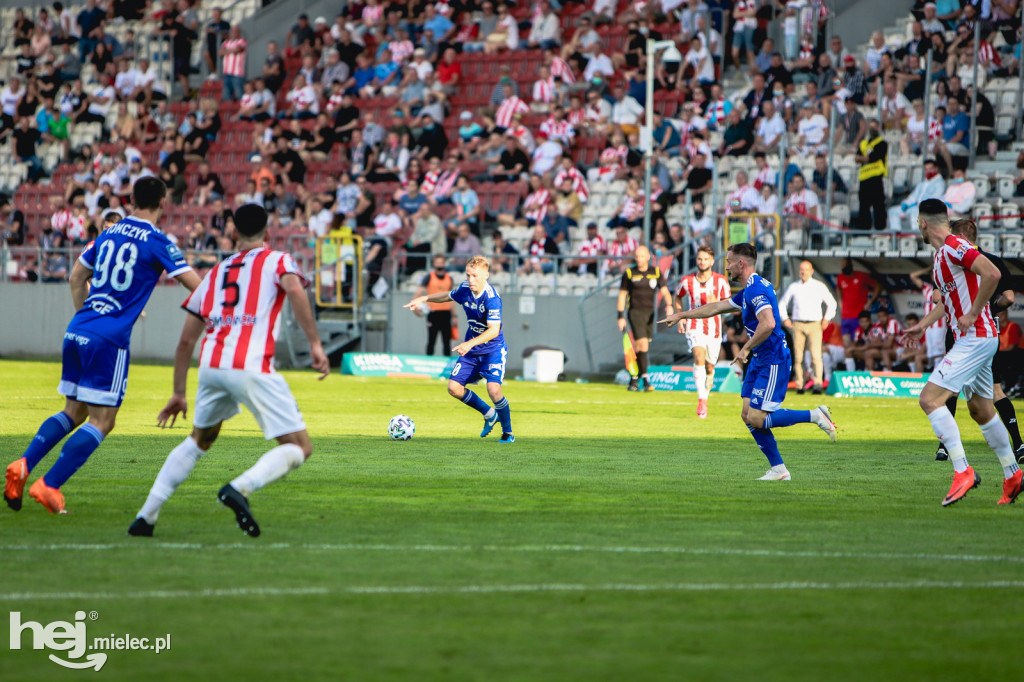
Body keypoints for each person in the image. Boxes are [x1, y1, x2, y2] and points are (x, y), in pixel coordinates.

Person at [127, 204, 328, 538]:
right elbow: (294, 289)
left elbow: (185, 341)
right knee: (299, 446)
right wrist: (315, 344)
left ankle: (145, 517)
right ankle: (240, 487)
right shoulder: (278, 260)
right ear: (268, 229)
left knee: (199, 439)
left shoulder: (216, 273)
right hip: (250, 365)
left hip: (212, 366)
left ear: (233, 231)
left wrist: (179, 392)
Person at [4, 178, 201, 514]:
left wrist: (87, 320)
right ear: (163, 202)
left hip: (78, 329)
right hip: (108, 340)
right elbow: (196, 287)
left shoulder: (107, 233)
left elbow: (75, 278)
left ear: (132, 199)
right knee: (103, 421)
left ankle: (23, 465)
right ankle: (49, 484)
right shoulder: (158, 242)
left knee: (74, 412)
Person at [661, 243, 838, 480]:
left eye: (729, 261)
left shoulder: (755, 290)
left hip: (772, 360)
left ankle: (815, 415)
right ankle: (779, 469)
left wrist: (745, 348)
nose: (727, 266)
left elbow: (769, 324)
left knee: (757, 418)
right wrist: (682, 315)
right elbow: (717, 307)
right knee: (747, 414)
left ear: (740, 264)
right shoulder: (750, 288)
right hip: (759, 359)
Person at [901, 200, 1021, 506]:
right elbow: (947, 302)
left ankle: (962, 470)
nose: (918, 229)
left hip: (975, 336)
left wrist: (974, 312)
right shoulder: (943, 256)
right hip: (979, 338)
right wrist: (923, 326)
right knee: (981, 409)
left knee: (929, 399)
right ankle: (1013, 475)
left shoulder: (955, 246)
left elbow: (992, 274)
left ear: (924, 223)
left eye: (918, 223)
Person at [404, 255, 514, 443]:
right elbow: (447, 295)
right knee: (454, 388)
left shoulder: (492, 298)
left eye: (475, 276)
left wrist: (469, 343)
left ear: (486, 275)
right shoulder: (465, 289)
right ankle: (489, 414)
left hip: (492, 350)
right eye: (468, 275)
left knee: (494, 390)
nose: (471, 280)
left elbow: (494, 330)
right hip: (471, 350)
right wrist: (424, 298)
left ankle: (508, 433)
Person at [675, 245, 730, 417]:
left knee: (709, 365)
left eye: (706, 259)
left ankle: (708, 382)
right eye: (699, 258)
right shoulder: (687, 281)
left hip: (714, 328)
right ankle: (702, 401)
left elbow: (729, 304)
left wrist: (718, 304)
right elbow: (678, 296)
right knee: (698, 356)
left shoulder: (721, 281)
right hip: (694, 325)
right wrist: (681, 316)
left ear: (712, 261)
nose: (702, 262)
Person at [617, 246, 675, 392]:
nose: (639, 259)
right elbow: (622, 295)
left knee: (644, 347)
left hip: (650, 313)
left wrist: (669, 305)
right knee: (641, 343)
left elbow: (665, 291)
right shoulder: (630, 273)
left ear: (648, 257)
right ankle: (645, 380)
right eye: (637, 256)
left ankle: (635, 378)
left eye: (641, 256)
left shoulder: (655, 272)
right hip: (635, 312)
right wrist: (620, 316)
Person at [779, 260, 838, 394]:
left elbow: (832, 303)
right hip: (798, 323)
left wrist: (827, 318)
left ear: (811, 271)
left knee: (816, 355)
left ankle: (818, 383)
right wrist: (785, 319)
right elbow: (782, 303)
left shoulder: (819, 286)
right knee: (798, 356)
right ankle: (800, 384)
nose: (803, 272)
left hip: (814, 323)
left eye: (805, 269)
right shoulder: (794, 286)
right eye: (801, 269)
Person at [414, 255, 454, 357]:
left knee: (447, 341)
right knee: (431, 340)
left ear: (444, 263)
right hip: (433, 313)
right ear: (434, 264)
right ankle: (428, 363)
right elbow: (417, 294)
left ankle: (447, 366)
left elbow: (452, 298)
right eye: (437, 262)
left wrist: (454, 316)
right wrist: (416, 309)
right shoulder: (429, 277)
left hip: (446, 312)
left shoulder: (449, 278)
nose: (439, 264)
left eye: (441, 262)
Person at [836, 257, 882, 345]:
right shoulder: (840, 277)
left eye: (846, 265)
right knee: (846, 342)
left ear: (851, 265)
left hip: (858, 315)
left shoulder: (861, 276)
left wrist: (870, 302)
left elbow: (878, 286)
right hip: (845, 315)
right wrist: (840, 302)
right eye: (842, 265)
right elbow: (838, 288)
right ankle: (849, 358)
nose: (844, 267)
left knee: (858, 342)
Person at [855, 118, 888, 230]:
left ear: (878, 128)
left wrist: (863, 158)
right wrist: (865, 158)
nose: (872, 129)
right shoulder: (863, 143)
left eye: (875, 126)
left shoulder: (882, 143)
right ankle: (864, 230)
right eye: (871, 126)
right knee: (863, 206)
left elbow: (873, 157)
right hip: (864, 178)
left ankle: (880, 229)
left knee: (878, 205)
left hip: (876, 177)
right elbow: (857, 157)